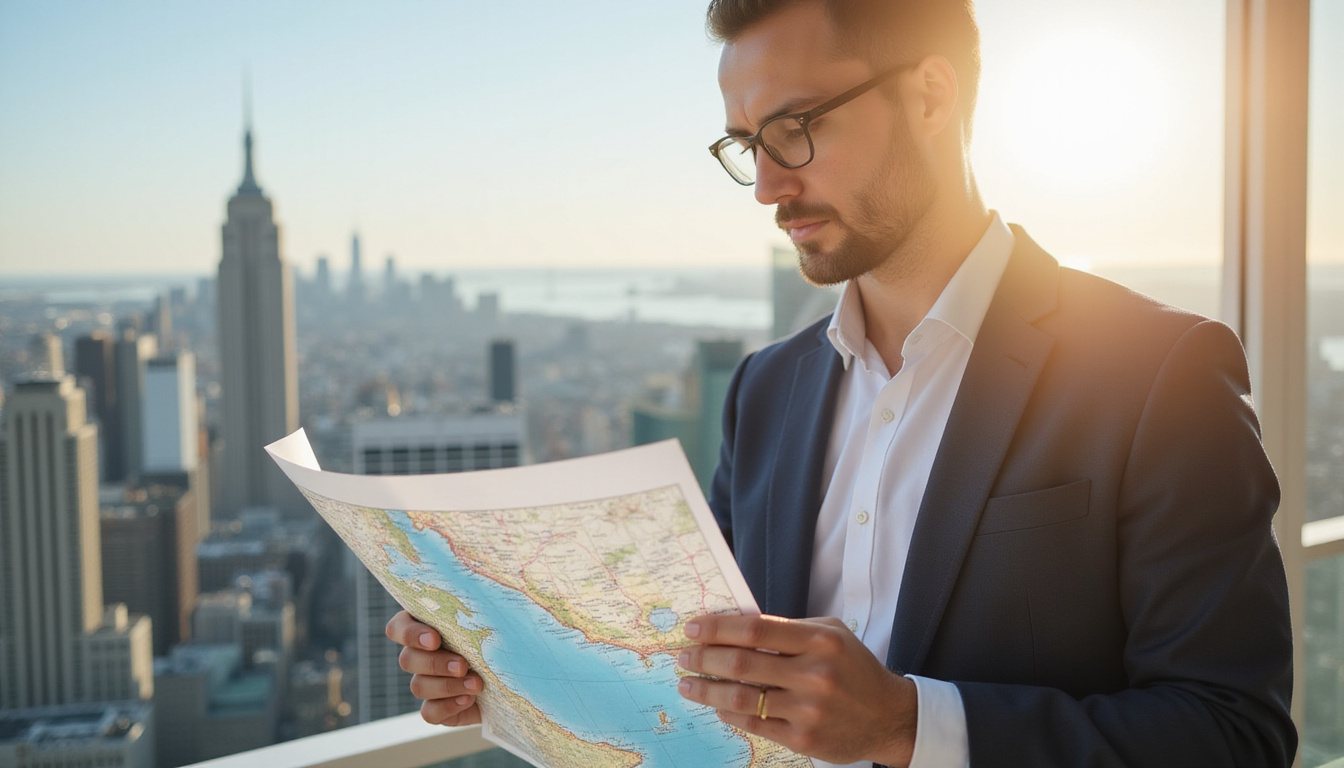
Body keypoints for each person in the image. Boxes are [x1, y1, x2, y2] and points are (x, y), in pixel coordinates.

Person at [386, 0, 1296, 765]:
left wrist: (908, 725)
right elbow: (710, 688)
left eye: (796, 128)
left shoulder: (1156, 372)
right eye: (747, 143)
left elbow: (1236, 734)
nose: (767, 188)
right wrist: (505, 672)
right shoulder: (764, 393)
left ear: (932, 95)